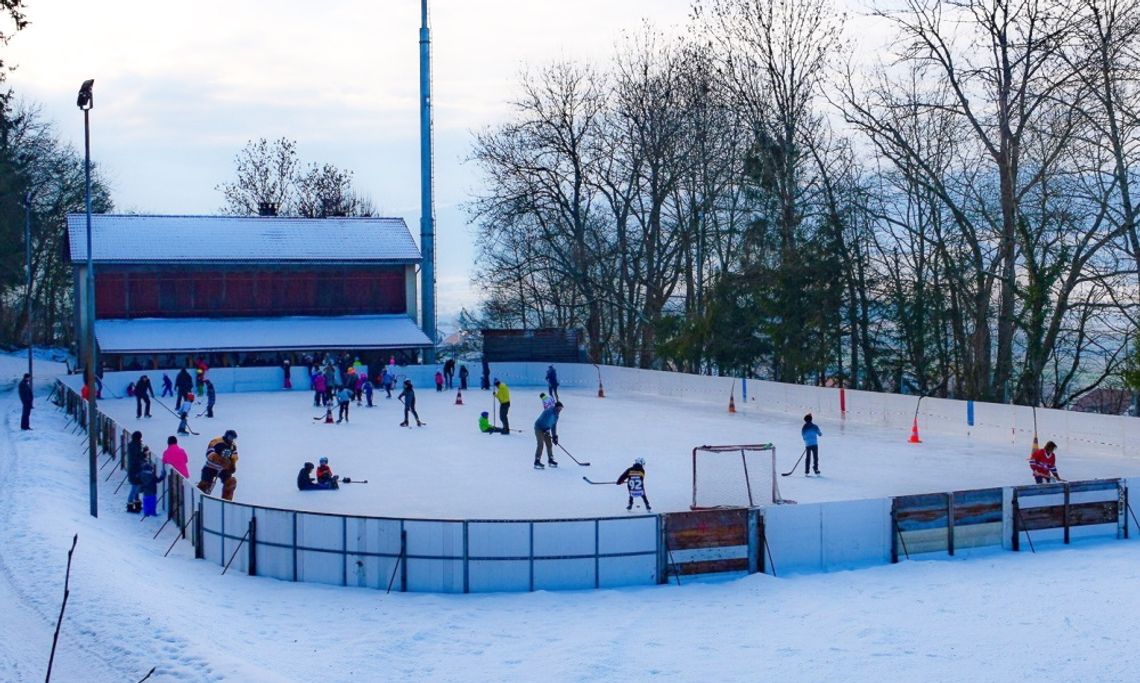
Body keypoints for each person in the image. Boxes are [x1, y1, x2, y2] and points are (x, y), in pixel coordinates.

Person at [198, 429, 239, 499]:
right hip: (210, 467)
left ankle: (227, 500)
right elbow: (209, 453)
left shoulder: (233, 446)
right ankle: (200, 496)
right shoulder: (216, 442)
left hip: (223, 469)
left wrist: (232, 464)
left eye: (233, 438)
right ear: (226, 436)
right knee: (205, 484)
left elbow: (235, 456)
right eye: (230, 437)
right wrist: (220, 459)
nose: (231, 440)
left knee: (231, 482)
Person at [533, 401, 563, 469]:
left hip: (546, 429)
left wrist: (554, 436)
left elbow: (553, 425)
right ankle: (537, 461)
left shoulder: (556, 415)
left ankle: (550, 459)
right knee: (540, 444)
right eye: (559, 408)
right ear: (556, 407)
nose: (560, 410)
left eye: (561, 409)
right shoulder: (548, 411)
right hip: (539, 428)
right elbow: (541, 420)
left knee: (549, 444)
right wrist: (544, 429)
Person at [126, 431, 147, 513]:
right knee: (134, 488)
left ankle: (136, 502)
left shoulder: (134, 445)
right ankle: (130, 504)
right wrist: (143, 454)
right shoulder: (134, 446)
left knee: (137, 487)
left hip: (135, 469)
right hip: (134, 470)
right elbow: (137, 457)